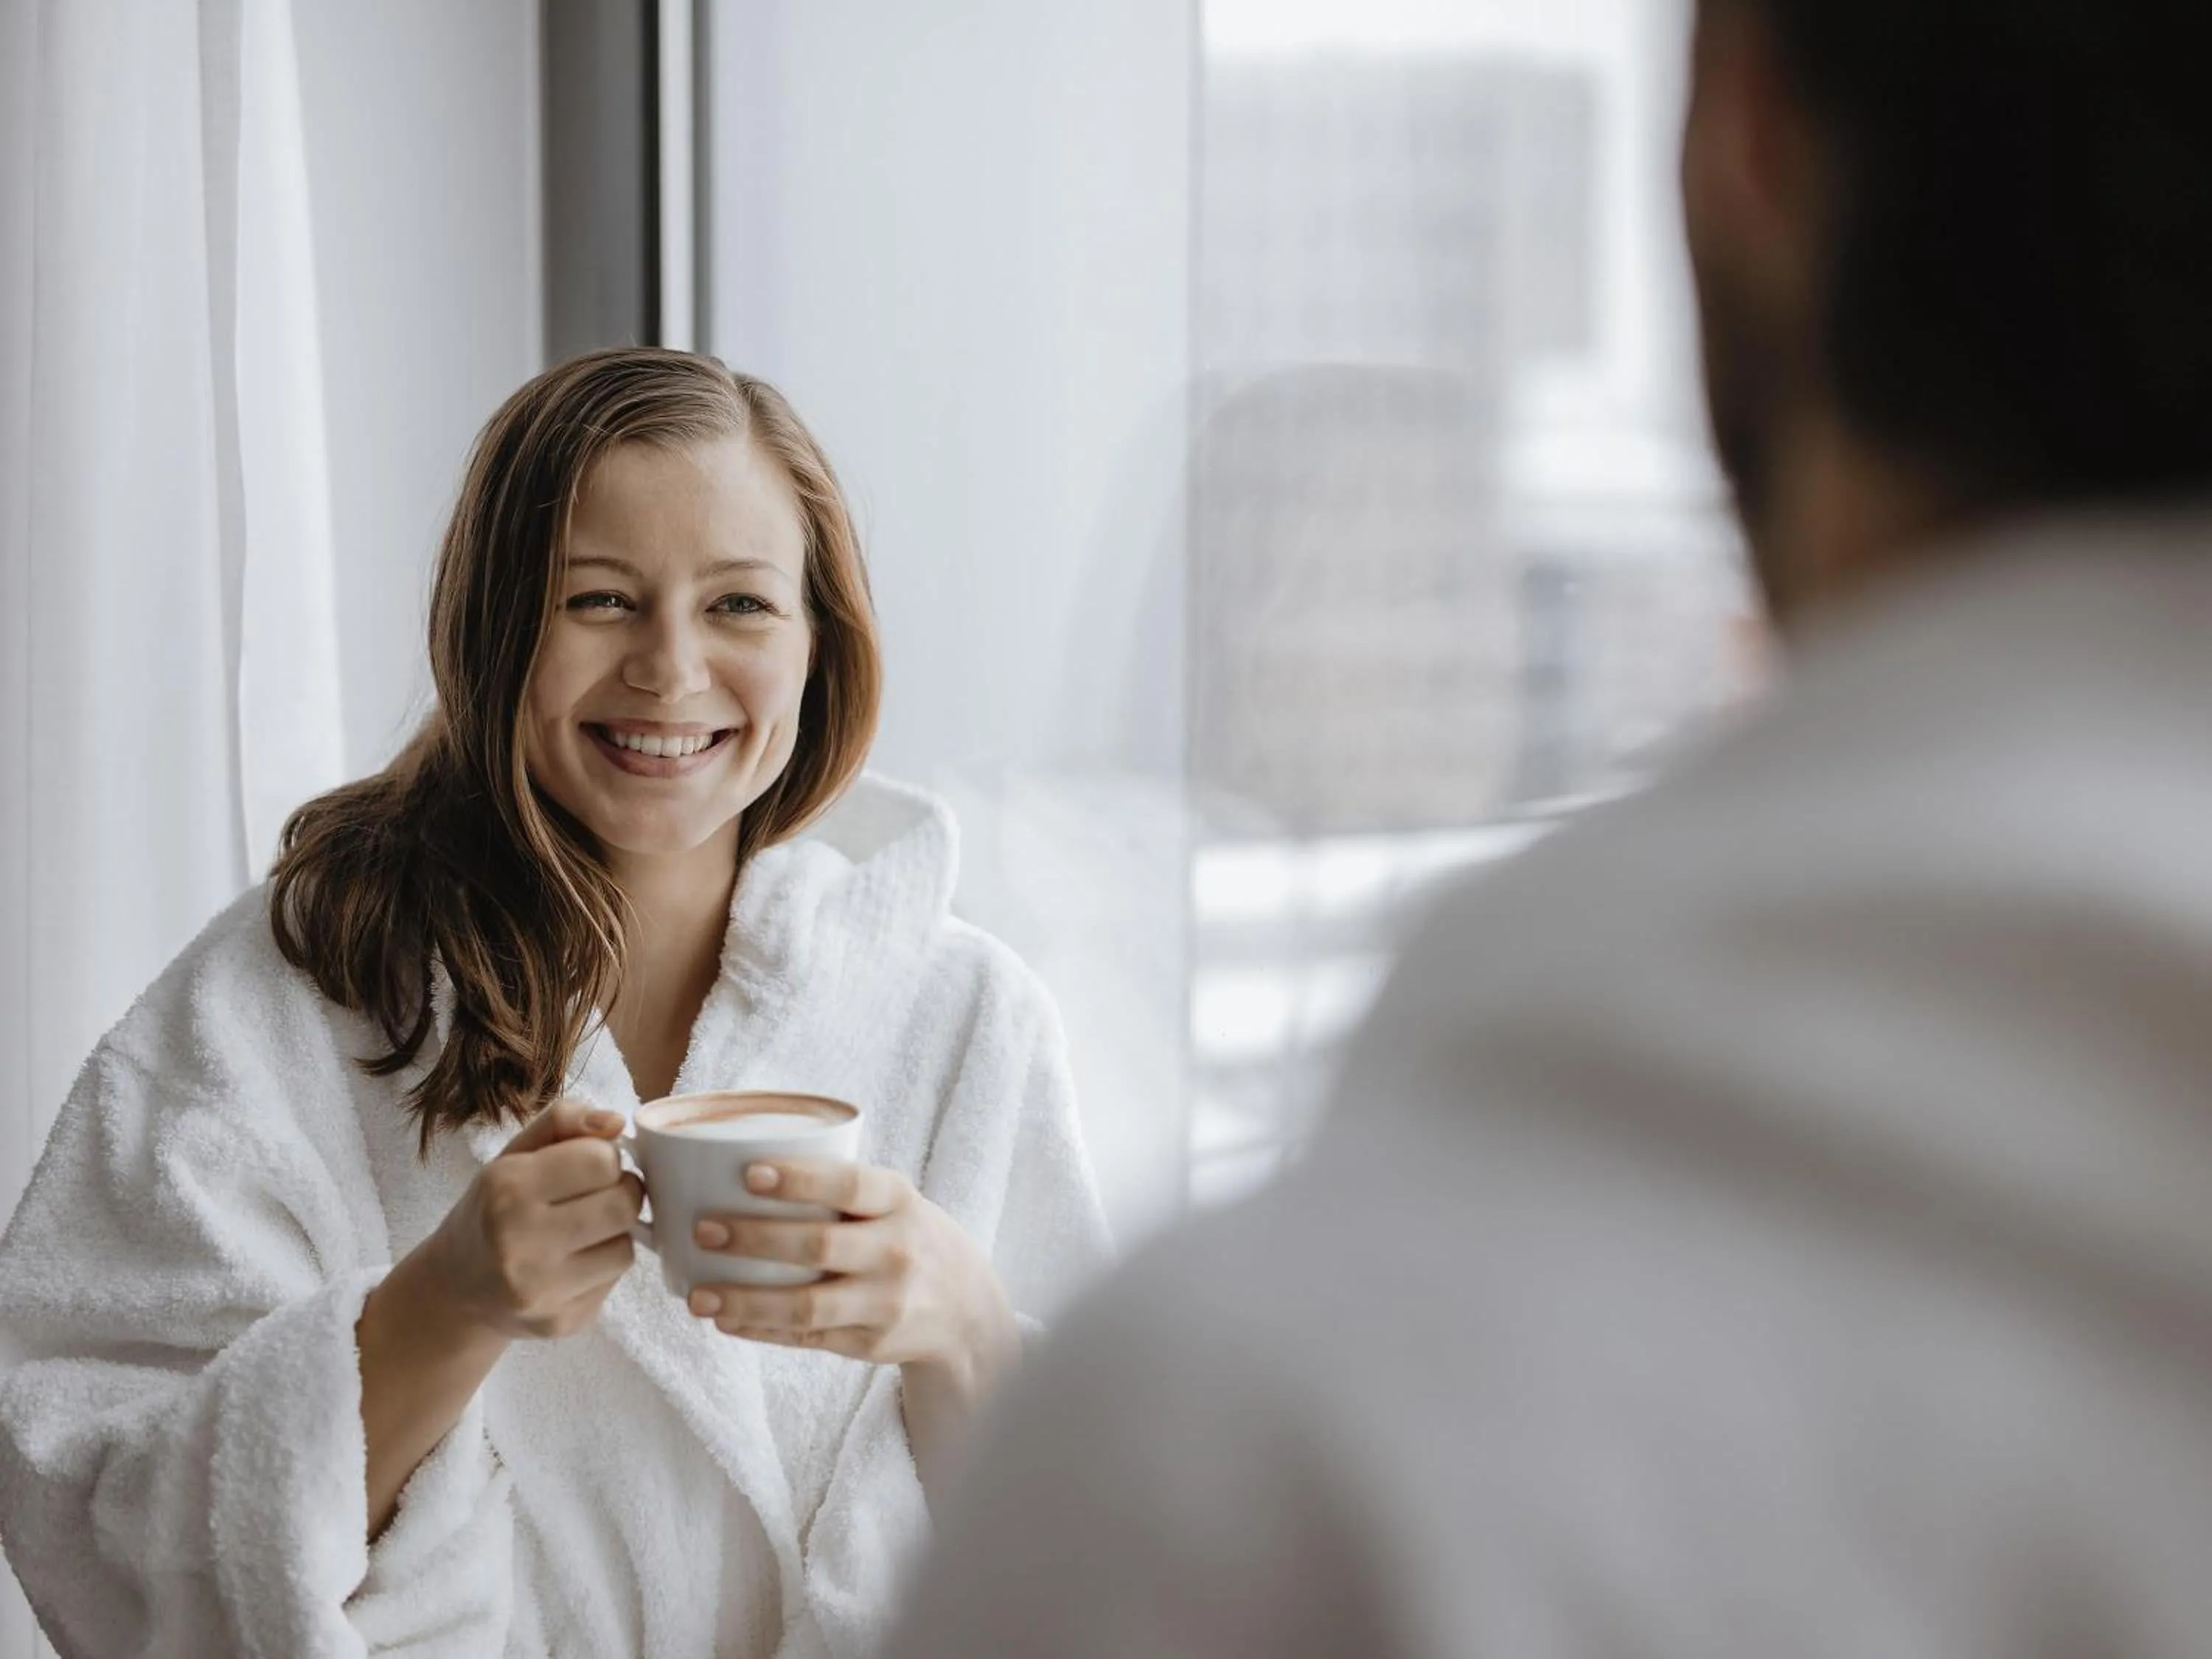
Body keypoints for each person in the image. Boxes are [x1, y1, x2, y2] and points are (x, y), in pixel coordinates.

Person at [886, 1, 2212, 1655]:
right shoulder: (1048, 937)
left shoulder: (1264, 1469)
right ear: (1212, 614)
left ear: (1743, 136)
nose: (1456, 639)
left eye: (1461, 575)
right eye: (1376, 577)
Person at [0, 348, 1109, 1658]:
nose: (670, 668)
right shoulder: (292, 996)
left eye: (740, 604)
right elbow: (91, 1503)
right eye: (600, 599)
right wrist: (441, 1306)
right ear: (497, 628)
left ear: (820, 644)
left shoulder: (966, 1021)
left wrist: (962, 1328)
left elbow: (1128, 1564)